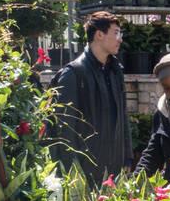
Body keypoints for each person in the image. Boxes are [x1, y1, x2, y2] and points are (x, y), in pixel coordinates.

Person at [51, 11, 133, 185]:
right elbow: (64, 128)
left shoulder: (115, 71)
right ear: (99, 34)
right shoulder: (74, 73)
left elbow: (123, 116)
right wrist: (72, 170)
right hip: (85, 173)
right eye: (116, 33)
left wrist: (127, 158)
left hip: (114, 170)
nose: (120, 38)